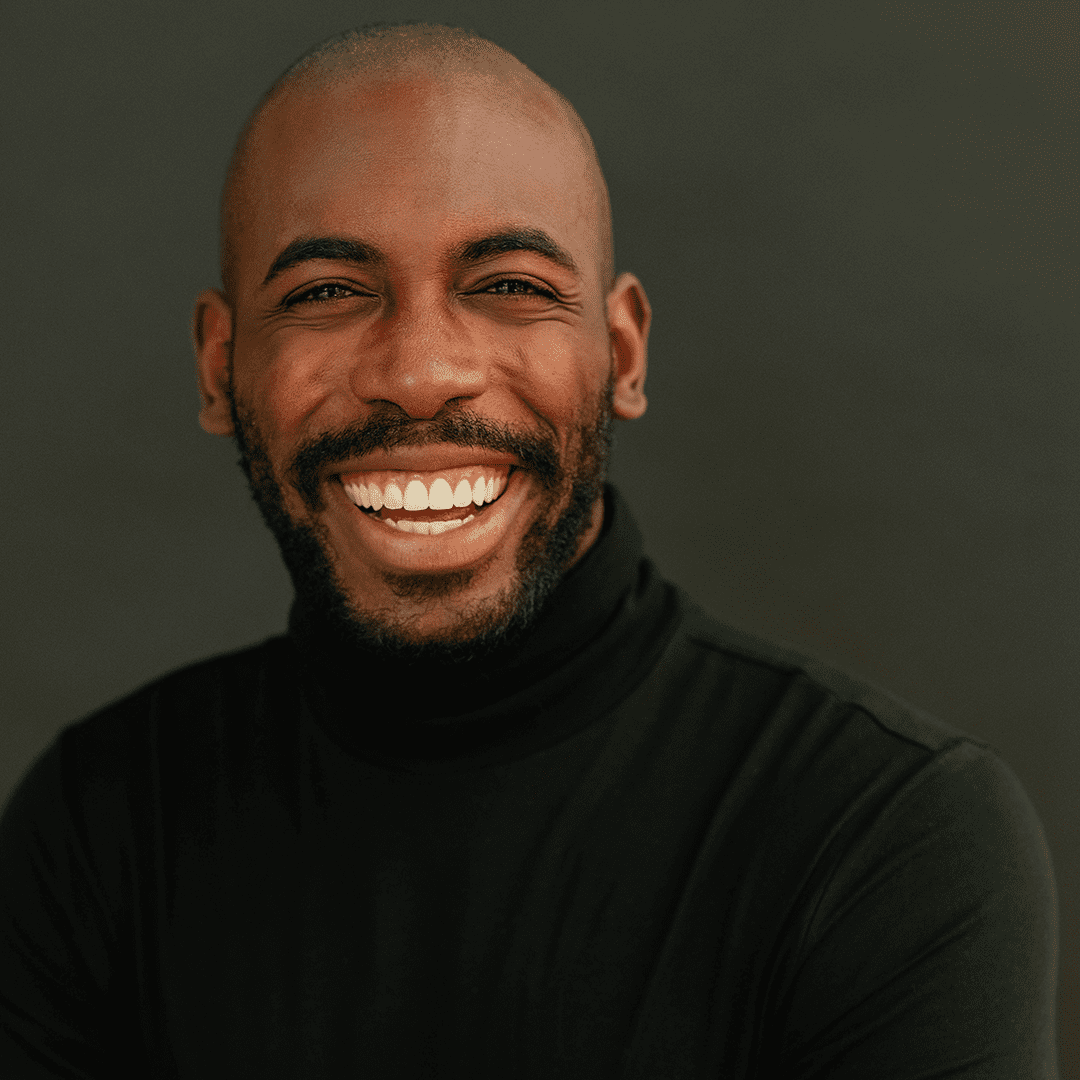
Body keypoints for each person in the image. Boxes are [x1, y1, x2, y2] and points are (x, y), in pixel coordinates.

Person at [0, 23, 1058, 1079]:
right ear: (220, 368)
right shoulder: (96, 827)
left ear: (623, 353)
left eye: (509, 285)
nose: (420, 374)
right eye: (325, 292)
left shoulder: (886, 835)